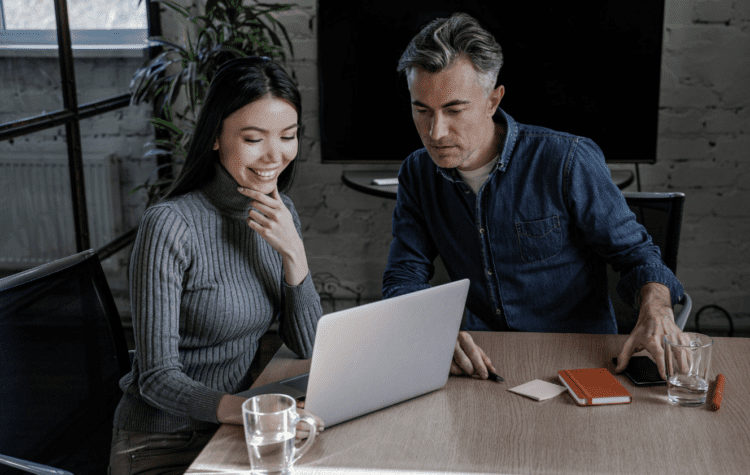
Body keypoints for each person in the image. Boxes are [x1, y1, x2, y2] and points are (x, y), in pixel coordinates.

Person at [382, 13, 684, 382]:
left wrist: (657, 306)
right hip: (486, 364)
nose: (435, 131)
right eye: (421, 110)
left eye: (454, 109)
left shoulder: (566, 160)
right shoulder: (417, 173)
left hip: (577, 361)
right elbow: (404, 273)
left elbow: (637, 257)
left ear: (493, 101)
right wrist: (429, 330)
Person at [110, 57, 322, 475]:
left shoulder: (282, 214)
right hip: (164, 443)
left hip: (234, 431)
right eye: (253, 138)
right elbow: (155, 377)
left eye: (288, 136)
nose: (274, 155)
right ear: (214, 138)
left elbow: (310, 346)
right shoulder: (170, 226)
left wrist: (294, 254)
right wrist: (246, 410)